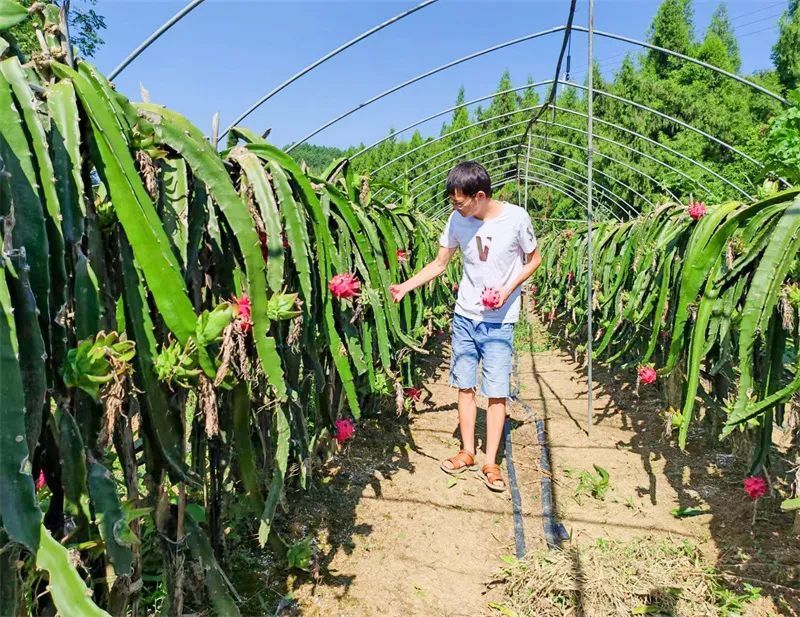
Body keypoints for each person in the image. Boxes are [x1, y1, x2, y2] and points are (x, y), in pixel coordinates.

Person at [389, 161, 542, 492]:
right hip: (465, 317)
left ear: (480, 195)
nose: (455, 207)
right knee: (464, 386)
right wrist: (405, 286)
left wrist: (507, 290)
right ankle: (468, 452)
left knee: (497, 391)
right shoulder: (457, 220)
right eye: (452, 201)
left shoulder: (516, 219)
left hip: (500, 321)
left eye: (460, 201)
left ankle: (491, 462)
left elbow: (535, 259)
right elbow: (440, 263)